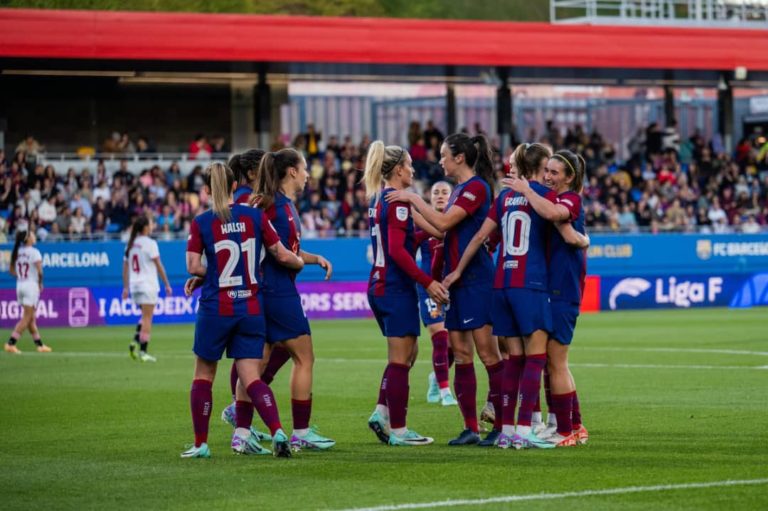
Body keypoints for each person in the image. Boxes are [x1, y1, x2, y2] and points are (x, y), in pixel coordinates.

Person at [386, 133, 502, 447]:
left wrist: (412, 198)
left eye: (443, 155)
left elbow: (445, 220)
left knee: (487, 352)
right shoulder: (460, 191)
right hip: (456, 283)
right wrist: (405, 215)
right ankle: (471, 428)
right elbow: (438, 229)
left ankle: (502, 424)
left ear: (460, 157)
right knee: (462, 354)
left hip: (477, 279)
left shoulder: (476, 187)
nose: (440, 161)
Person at [181, 162, 304, 459]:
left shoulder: (201, 222)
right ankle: (277, 431)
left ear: (207, 190)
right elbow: (281, 254)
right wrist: (300, 263)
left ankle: (201, 444)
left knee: (204, 374)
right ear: (235, 186)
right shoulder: (255, 215)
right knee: (251, 376)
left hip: (216, 308)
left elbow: (193, 266)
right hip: (250, 306)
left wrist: (212, 272)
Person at [221, 148, 336, 450]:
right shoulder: (272, 205)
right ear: (291, 172)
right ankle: (301, 431)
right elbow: (279, 253)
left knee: (254, 366)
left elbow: (283, 247)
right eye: (305, 167)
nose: (308, 174)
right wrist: (298, 262)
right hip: (278, 292)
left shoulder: (277, 205)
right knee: (304, 358)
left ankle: (242, 433)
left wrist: (312, 259)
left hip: (264, 292)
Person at [364, 141, 449, 446]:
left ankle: (381, 412)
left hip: (379, 285)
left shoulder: (379, 198)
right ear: (398, 169)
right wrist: (427, 282)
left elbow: (426, 233)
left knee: (408, 354)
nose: (414, 169)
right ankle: (399, 430)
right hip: (394, 288)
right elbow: (398, 251)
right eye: (410, 165)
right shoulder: (398, 201)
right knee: (400, 359)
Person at [521, 150, 590, 447]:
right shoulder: (557, 199)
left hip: (564, 290)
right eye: (546, 170)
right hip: (556, 289)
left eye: (554, 172)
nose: (548, 176)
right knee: (554, 361)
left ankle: (566, 431)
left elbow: (553, 216)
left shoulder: (570, 199)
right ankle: (574, 425)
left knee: (556, 361)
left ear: (569, 177)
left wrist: (525, 189)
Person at [417, 181, 457, 407]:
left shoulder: (457, 222)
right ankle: (445, 391)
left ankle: (435, 377)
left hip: (452, 286)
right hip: (428, 287)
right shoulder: (424, 222)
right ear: (429, 197)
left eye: (444, 192)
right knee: (440, 337)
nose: (440, 196)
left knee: (455, 344)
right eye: (436, 192)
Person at [122, 215, 172, 363]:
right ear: (145, 228)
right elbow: (159, 265)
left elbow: (125, 268)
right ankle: (143, 352)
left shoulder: (130, 244)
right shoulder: (150, 243)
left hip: (135, 286)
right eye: (150, 224)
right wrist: (167, 284)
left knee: (144, 317)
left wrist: (125, 287)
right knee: (147, 319)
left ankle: (134, 341)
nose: (152, 226)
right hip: (148, 285)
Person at [5, 231, 52, 354]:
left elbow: (10, 270)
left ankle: (40, 345)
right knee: (26, 317)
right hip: (31, 286)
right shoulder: (34, 252)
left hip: (20, 285)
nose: (34, 236)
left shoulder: (18, 252)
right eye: (32, 234)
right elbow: (40, 271)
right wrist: (40, 283)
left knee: (31, 318)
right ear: (29, 239)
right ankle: (11, 343)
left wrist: (21, 277)